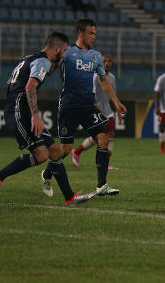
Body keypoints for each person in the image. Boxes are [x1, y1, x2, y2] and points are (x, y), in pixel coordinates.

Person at [0, 32, 95, 207]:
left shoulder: (30, 58)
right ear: (57, 48)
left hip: (22, 109)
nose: (65, 53)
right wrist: (35, 115)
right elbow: (30, 86)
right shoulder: (42, 60)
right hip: (20, 111)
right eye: (65, 50)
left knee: (55, 152)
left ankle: (70, 198)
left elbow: (13, 82)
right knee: (42, 155)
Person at [40, 18, 127, 197]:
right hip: (69, 105)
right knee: (65, 149)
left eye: (95, 33)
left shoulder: (96, 56)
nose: (94, 37)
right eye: (91, 33)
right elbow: (50, 67)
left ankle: (101, 186)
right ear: (80, 33)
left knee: (103, 139)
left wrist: (116, 102)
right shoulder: (67, 52)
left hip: (88, 105)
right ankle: (47, 174)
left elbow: (104, 81)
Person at [71, 54, 119, 169]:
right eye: (104, 61)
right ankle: (77, 152)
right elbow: (90, 96)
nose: (107, 63)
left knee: (110, 135)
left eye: (109, 61)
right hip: (96, 111)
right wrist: (97, 110)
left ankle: (106, 162)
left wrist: (118, 109)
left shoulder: (112, 78)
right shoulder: (94, 76)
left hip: (108, 111)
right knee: (99, 137)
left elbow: (114, 95)